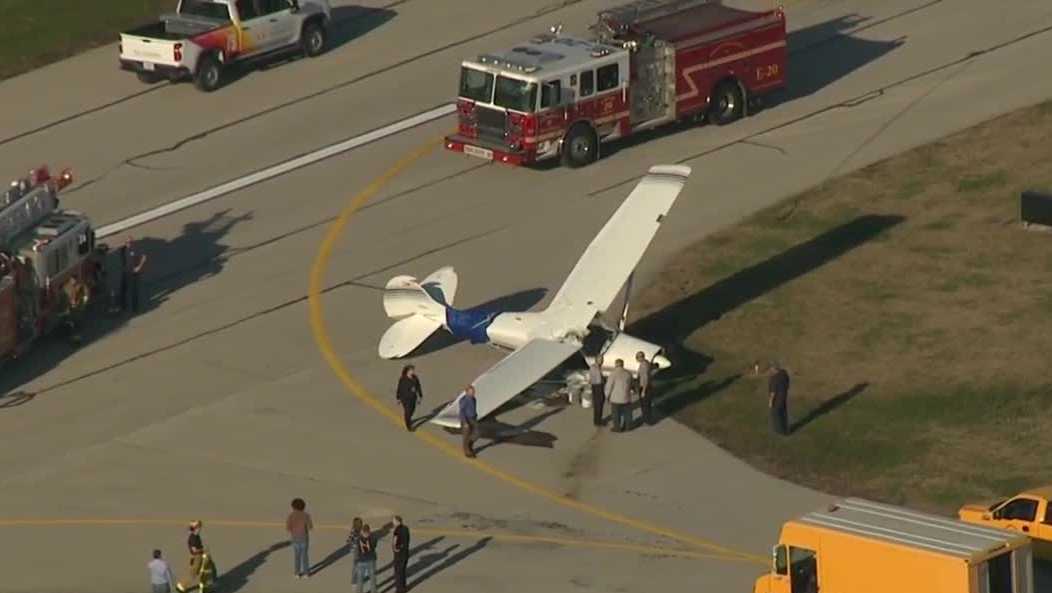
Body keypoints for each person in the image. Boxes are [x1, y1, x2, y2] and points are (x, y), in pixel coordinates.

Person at [286, 497, 314, 578]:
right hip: (304, 538)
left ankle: (297, 573)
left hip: (295, 538)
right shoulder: (306, 515)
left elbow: (288, 528)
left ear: (293, 507)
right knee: (305, 556)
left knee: (297, 556)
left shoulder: (291, 516)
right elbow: (310, 527)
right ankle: (306, 573)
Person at [605, 359, 634, 432]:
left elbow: (609, 386)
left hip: (615, 398)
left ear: (616, 364)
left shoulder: (613, 374)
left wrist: (607, 396)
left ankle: (617, 428)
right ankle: (628, 427)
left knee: (616, 414)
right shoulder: (628, 373)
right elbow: (631, 384)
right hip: (626, 397)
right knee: (627, 413)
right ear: (623, 364)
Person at [122, 236, 147, 313]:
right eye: (126, 242)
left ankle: (135, 309)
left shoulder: (135, 250)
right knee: (124, 289)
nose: (128, 244)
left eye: (129, 242)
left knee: (133, 291)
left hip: (133, 273)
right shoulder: (124, 250)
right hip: (126, 272)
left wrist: (139, 267)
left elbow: (144, 257)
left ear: (132, 242)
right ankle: (123, 306)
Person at [396, 365, 423, 431]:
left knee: (412, 410)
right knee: (407, 412)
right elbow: (399, 388)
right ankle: (408, 426)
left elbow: (418, 386)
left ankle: (408, 419)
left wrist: (420, 396)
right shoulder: (403, 379)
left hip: (413, 397)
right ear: (407, 371)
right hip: (405, 398)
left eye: (413, 370)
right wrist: (398, 398)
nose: (413, 371)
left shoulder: (415, 378)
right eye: (411, 370)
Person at [768, 363, 790, 435]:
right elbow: (788, 383)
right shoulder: (784, 374)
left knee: (777, 416)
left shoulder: (774, 379)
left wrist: (770, 402)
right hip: (784, 397)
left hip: (777, 400)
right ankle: (786, 429)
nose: (770, 371)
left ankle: (781, 431)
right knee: (784, 414)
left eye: (771, 369)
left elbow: (772, 393)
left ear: (774, 369)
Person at [356, 523, 378, 593]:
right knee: (372, 578)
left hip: (361, 561)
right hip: (371, 560)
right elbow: (373, 547)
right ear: (369, 531)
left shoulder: (358, 539)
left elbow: (359, 550)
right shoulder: (373, 538)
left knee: (360, 580)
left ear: (362, 531)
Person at [458, 385, 478, 458]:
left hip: (473, 418)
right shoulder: (464, 400)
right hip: (466, 419)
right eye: (471, 392)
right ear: (466, 392)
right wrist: (465, 422)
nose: (473, 393)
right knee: (466, 436)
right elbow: (461, 412)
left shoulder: (473, 399)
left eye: (473, 392)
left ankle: (469, 444)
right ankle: (467, 451)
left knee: (477, 433)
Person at [392, 515, 410, 593]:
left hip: (399, 554)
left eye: (394, 521)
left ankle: (399, 590)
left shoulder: (397, 530)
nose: (393, 522)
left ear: (397, 521)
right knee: (403, 571)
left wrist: (395, 548)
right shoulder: (406, 528)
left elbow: (395, 541)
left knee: (398, 572)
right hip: (405, 553)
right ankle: (403, 588)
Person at [635, 351, 654, 425]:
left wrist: (643, 390)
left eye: (637, 357)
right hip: (646, 386)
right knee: (646, 404)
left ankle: (647, 420)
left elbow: (645, 378)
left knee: (645, 405)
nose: (636, 359)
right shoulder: (646, 363)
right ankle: (647, 419)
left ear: (640, 357)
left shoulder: (644, 365)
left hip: (645, 387)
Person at [347, 517, 364, 589]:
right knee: (356, 566)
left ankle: (357, 579)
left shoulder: (358, 530)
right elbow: (349, 540)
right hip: (356, 551)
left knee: (358, 565)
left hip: (358, 550)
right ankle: (354, 581)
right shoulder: (354, 531)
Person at [589, 356, 605, 426]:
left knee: (600, 403)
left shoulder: (598, 367)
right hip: (597, 386)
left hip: (598, 386)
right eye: (600, 360)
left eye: (602, 359)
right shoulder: (594, 367)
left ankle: (599, 419)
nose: (602, 361)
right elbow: (598, 378)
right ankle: (597, 421)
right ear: (596, 360)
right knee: (598, 404)